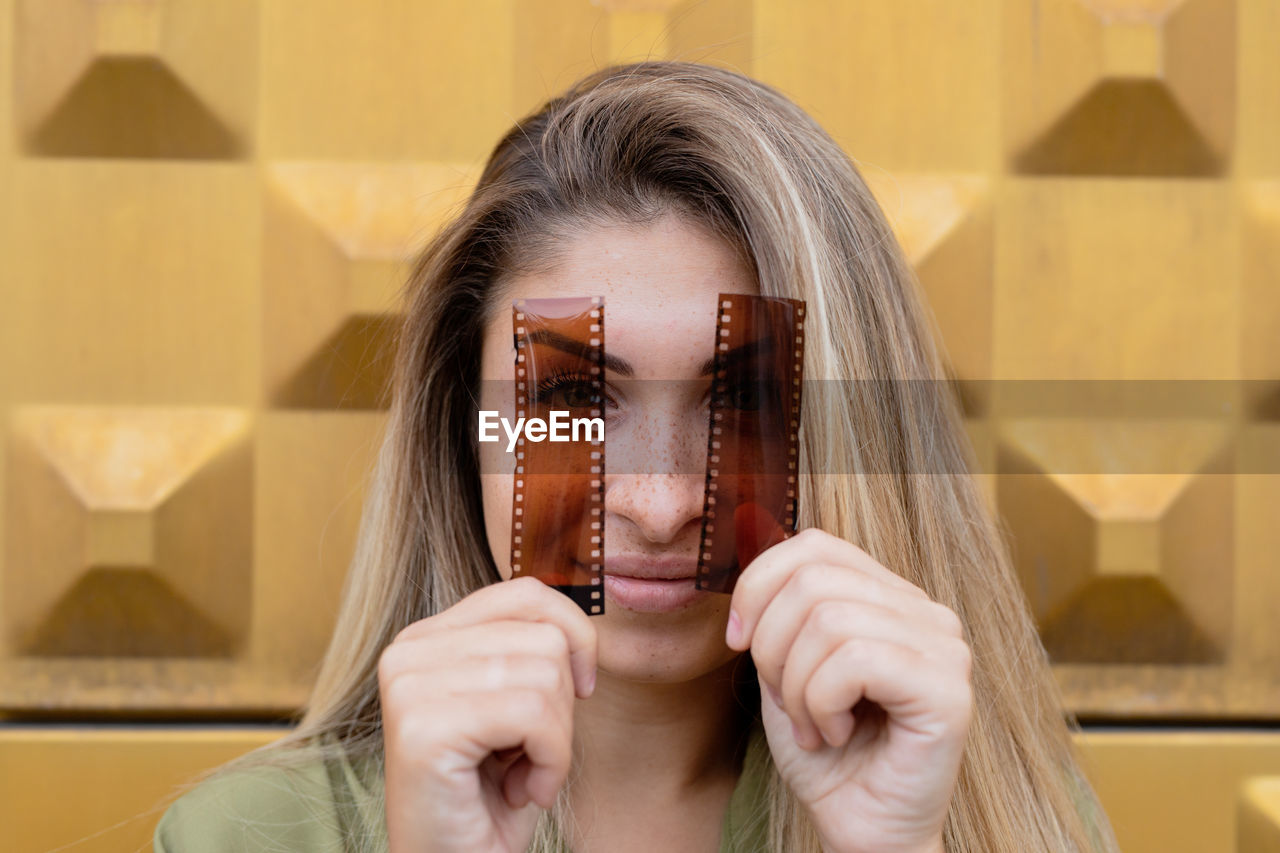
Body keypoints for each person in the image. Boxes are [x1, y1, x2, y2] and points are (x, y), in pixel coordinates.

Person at [153, 60, 1119, 852]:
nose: (659, 505)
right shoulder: (245, 838)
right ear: (464, 428)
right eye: (577, 396)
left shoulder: (1012, 823)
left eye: (739, 400)